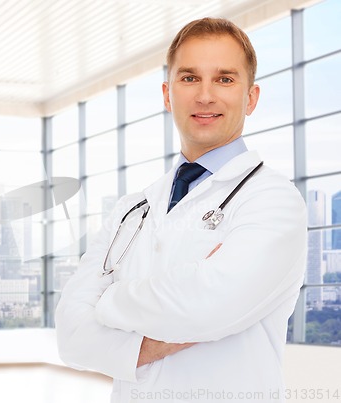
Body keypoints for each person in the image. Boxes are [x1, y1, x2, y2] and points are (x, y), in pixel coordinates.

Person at [55, 17, 307, 403]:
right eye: (189, 78)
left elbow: (209, 305)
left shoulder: (273, 200)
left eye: (225, 79)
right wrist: (150, 342)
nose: (205, 96)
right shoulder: (133, 208)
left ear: (251, 98)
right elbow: (71, 336)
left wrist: (108, 300)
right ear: (167, 94)